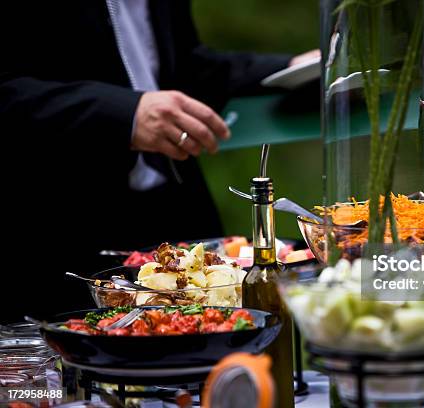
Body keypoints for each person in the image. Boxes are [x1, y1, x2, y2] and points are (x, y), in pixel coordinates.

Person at [0, 1, 318, 322]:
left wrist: (291, 68)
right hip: (55, 232)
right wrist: (125, 114)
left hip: (171, 213)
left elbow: (186, 67)